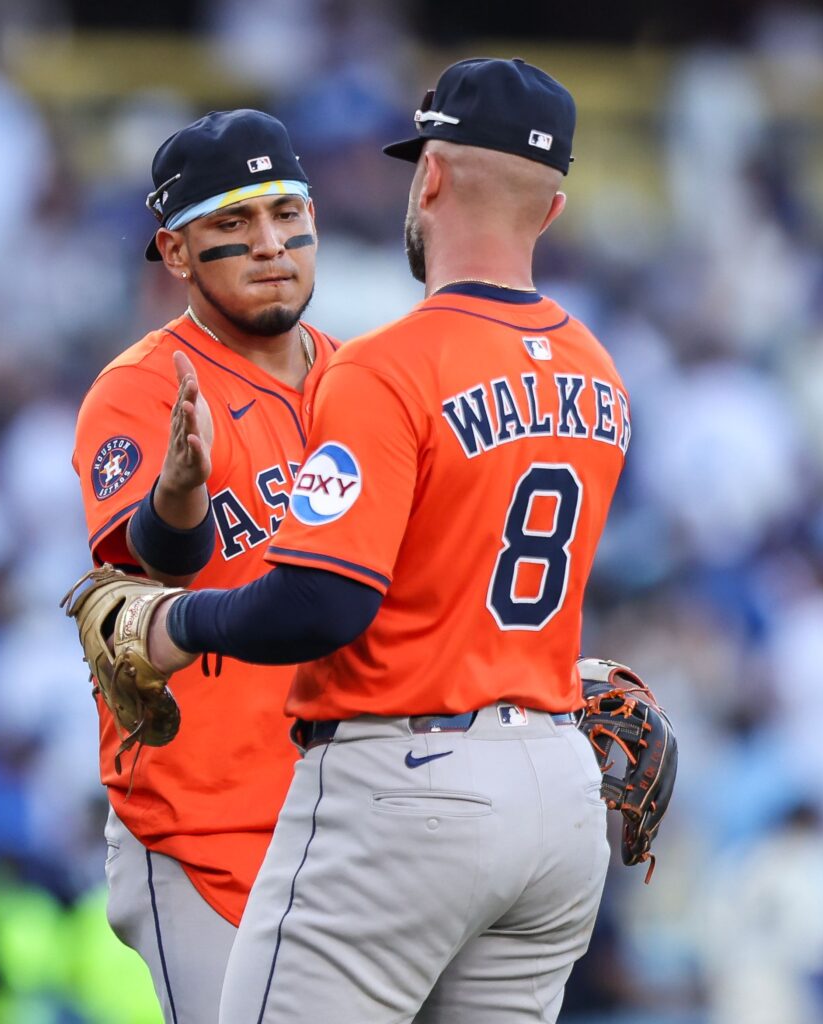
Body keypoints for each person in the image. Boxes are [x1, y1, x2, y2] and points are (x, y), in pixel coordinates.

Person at [125, 58, 627, 1022]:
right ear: (552, 209)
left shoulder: (387, 366)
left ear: (429, 177)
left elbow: (323, 602)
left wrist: (175, 625)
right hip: (561, 789)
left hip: (408, 785)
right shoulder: (596, 369)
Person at [70, 109, 339, 1024]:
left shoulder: (365, 382)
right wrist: (181, 490)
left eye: (285, 213)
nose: (269, 244)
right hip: (204, 828)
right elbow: (147, 573)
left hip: (350, 821)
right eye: (233, 222)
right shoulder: (142, 387)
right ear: (176, 252)